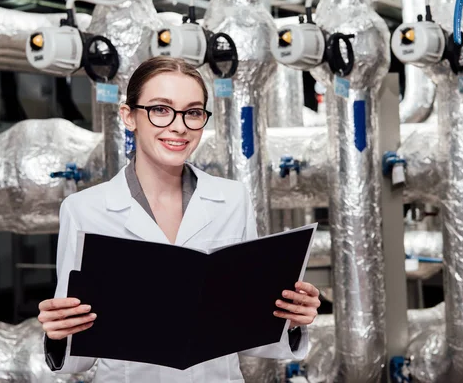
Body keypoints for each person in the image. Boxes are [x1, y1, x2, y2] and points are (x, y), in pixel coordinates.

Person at [37, 56, 321, 382]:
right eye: (160, 109)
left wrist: (291, 318)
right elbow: (79, 355)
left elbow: (251, 332)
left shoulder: (232, 200)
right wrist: (60, 336)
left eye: (193, 112)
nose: (179, 125)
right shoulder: (84, 209)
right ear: (129, 117)